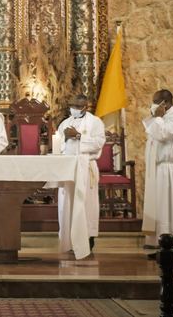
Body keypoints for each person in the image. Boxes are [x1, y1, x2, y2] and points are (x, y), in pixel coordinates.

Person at [142, 89, 173, 249]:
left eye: (156, 102)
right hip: (159, 169)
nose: (153, 105)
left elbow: (163, 134)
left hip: (171, 168)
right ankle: (159, 239)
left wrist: (157, 117)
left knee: (172, 208)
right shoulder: (163, 117)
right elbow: (151, 129)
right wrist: (157, 117)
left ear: (165, 103)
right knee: (161, 207)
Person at [56, 94, 106, 253]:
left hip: (86, 166)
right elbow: (58, 144)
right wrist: (64, 138)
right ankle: (68, 240)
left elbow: (99, 144)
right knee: (67, 203)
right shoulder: (65, 123)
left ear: (85, 106)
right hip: (68, 166)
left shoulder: (95, 122)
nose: (74, 109)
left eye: (77, 107)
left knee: (86, 204)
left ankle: (87, 240)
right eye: (72, 106)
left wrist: (78, 136)